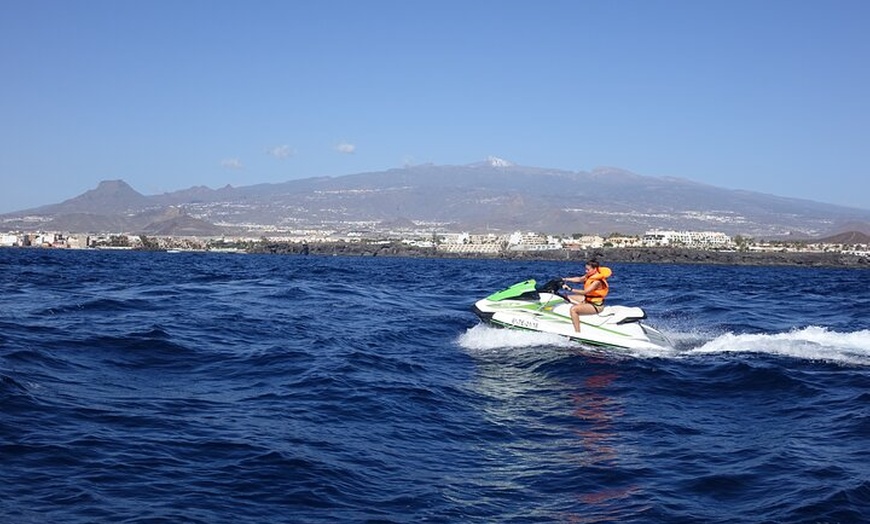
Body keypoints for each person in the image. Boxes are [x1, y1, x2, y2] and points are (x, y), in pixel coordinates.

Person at [562, 259, 611, 333]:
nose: (586, 271)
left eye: (588, 270)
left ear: (594, 269)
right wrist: (564, 279)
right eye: (586, 269)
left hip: (596, 306)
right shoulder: (590, 275)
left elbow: (585, 292)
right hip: (587, 300)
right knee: (566, 297)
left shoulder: (597, 282)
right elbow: (579, 279)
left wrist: (570, 289)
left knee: (573, 309)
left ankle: (577, 332)